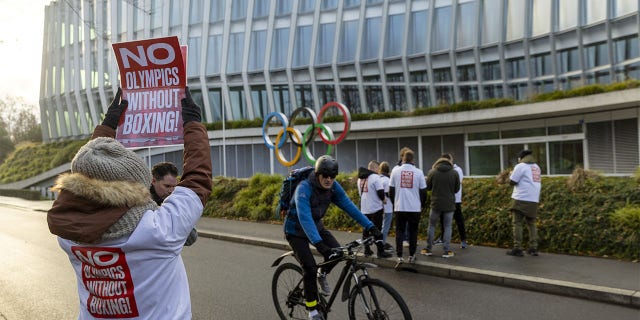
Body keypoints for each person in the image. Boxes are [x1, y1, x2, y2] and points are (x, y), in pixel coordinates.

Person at [47, 87, 212, 319]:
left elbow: (91, 174)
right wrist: (192, 123)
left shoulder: (67, 235)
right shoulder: (159, 230)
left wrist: (104, 135)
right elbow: (198, 180)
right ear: (136, 186)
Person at [284, 155, 383, 320]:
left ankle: (321, 274)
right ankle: (312, 311)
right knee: (309, 267)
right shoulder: (304, 188)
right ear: (317, 174)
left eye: (332, 176)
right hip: (295, 231)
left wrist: (370, 226)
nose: (329, 179)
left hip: (316, 227)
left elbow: (349, 206)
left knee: (337, 253)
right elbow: (304, 217)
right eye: (325, 176)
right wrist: (319, 244)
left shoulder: (333, 187)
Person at [389, 148, 426, 264]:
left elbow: (391, 190)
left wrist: (395, 202)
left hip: (400, 206)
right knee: (413, 232)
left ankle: (399, 256)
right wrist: (422, 205)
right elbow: (423, 192)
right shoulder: (419, 172)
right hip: (414, 207)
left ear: (402, 158)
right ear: (413, 159)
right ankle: (411, 255)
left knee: (399, 231)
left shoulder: (395, 171)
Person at [151, 161, 199, 246]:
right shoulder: (141, 204)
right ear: (153, 181)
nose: (171, 191)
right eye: (167, 186)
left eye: (174, 186)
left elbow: (191, 238)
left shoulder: (177, 200)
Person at [422, 155, 460, 258]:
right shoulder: (454, 173)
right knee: (447, 226)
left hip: (435, 204)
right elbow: (456, 189)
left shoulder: (432, 172)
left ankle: (428, 249)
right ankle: (446, 251)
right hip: (449, 204)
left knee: (432, 225)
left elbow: (428, 188)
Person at [506, 149, 542, 257]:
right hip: (534, 198)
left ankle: (518, 248)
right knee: (531, 224)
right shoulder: (536, 167)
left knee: (517, 223)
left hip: (521, 198)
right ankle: (533, 248)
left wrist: (510, 174)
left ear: (520, 158)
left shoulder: (520, 166)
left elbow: (512, 181)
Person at [357, 160, 391, 258]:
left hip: (364, 209)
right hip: (376, 208)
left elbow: (360, 194)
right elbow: (380, 192)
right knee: (377, 230)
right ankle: (380, 252)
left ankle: (367, 250)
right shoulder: (375, 177)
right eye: (378, 168)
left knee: (366, 231)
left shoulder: (360, 179)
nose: (378, 170)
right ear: (375, 168)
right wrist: (384, 199)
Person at [433, 154, 467, 249]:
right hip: (445, 199)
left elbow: (456, 183)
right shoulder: (443, 170)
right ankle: (442, 238)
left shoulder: (457, 170)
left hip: (455, 199)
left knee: (458, 220)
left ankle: (463, 240)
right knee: (443, 220)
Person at [378, 161, 394, 252]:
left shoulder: (377, 179)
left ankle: (380, 242)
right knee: (385, 227)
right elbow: (389, 195)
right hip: (387, 207)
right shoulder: (387, 180)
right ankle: (382, 244)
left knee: (380, 226)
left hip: (378, 207)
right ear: (388, 170)